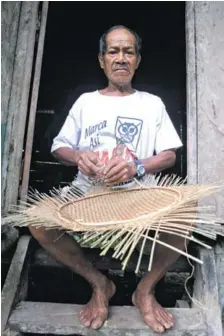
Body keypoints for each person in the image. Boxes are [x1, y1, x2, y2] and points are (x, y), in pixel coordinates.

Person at [29, 25, 184, 333]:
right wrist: (79, 157)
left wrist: (136, 167)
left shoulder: (151, 103)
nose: (121, 58)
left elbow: (168, 155)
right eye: (114, 51)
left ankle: (145, 289)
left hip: (139, 199)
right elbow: (60, 146)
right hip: (89, 197)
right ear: (102, 60)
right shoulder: (86, 102)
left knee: (186, 217)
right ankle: (100, 284)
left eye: (128, 52)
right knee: (37, 221)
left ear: (138, 60)